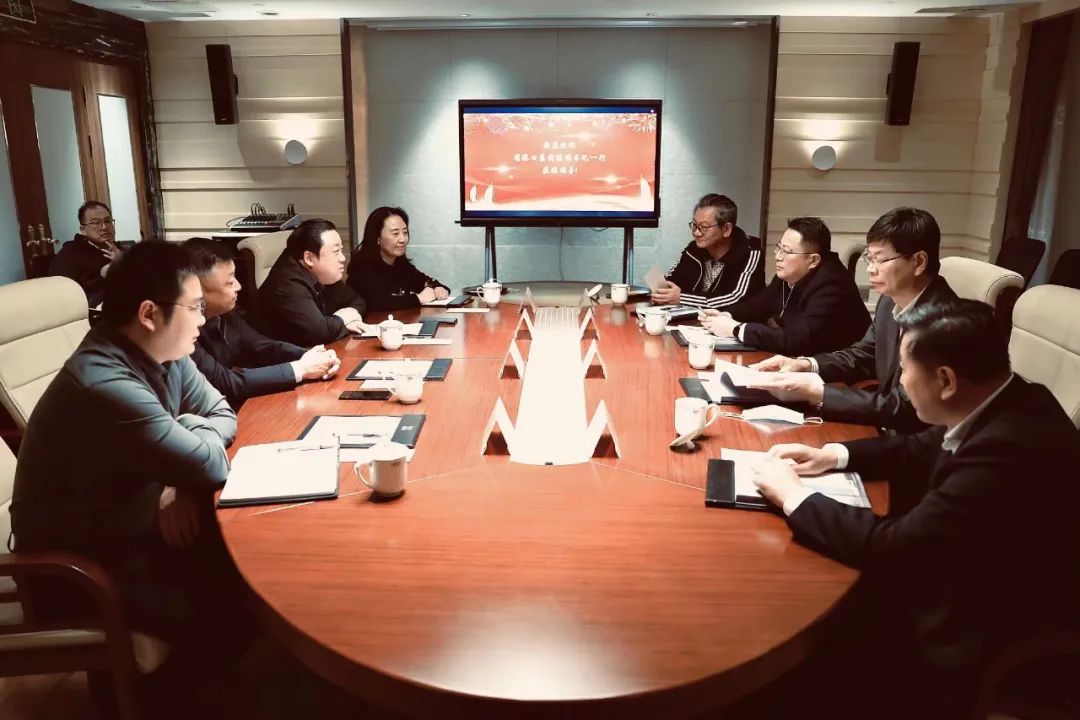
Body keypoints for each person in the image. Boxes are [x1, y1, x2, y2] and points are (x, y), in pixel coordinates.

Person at [750, 300, 1080, 718]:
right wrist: (830, 455)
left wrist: (793, 496)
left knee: (807, 637)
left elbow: (896, 548)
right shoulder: (1004, 397)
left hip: (983, 621)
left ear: (946, 380)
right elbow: (915, 449)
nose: (900, 382)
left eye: (905, 370)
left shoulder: (1006, 449)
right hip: (963, 567)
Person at [11, 241, 254, 712]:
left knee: (236, 565)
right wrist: (191, 446)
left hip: (127, 531)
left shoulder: (166, 352)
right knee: (230, 601)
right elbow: (211, 461)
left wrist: (180, 481)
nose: (203, 318)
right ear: (148, 314)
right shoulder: (104, 384)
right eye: (195, 307)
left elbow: (222, 411)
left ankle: (193, 690)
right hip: (76, 569)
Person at [747, 207, 957, 433]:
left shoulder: (944, 323)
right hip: (888, 425)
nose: (871, 270)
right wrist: (805, 364)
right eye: (869, 258)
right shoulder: (889, 302)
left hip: (917, 441)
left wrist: (818, 393)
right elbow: (861, 355)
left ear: (919, 262)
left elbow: (906, 407)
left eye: (880, 260)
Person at [184, 237, 340, 410]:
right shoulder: (183, 331)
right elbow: (224, 382)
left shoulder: (224, 313)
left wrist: (311, 356)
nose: (238, 286)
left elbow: (259, 345)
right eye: (229, 282)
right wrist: (301, 369)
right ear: (196, 289)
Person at [699, 216, 870, 356]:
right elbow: (760, 304)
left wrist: (735, 329)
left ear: (813, 260)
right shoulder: (791, 272)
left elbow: (798, 339)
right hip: (801, 359)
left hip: (838, 370)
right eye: (779, 248)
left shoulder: (832, 286)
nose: (778, 257)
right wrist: (727, 314)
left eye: (786, 252)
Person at [257, 218, 370, 345]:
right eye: (336, 252)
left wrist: (347, 319)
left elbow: (357, 301)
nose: (343, 258)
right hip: (279, 355)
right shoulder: (288, 283)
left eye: (341, 250)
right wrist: (341, 320)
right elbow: (320, 333)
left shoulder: (324, 274)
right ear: (309, 258)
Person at [652, 193, 765, 310]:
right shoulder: (694, 249)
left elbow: (735, 297)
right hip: (693, 319)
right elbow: (673, 279)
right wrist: (662, 294)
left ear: (726, 229)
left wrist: (682, 298)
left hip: (734, 320)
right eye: (695, 225)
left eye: (704, 227)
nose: (696, 233)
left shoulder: (750, 252)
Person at [346, 206, 450, 310]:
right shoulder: (362, 268)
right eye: (395, 234)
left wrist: (438, 288)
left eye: (405, 232)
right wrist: (419, 298)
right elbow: (379, 302)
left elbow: (425, 281)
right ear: (377, 238)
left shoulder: (401, 265)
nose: (403, 239)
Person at [49, 200, 121, 307]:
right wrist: (102, 276)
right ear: (83, 230)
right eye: (95, 223)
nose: (104, 227)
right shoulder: (69, 255)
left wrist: (123, 262)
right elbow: (63, 295)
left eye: (107, 221)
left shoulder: (120, 249)